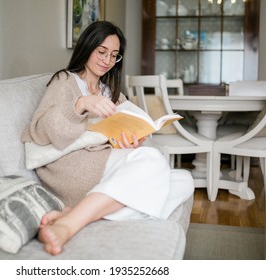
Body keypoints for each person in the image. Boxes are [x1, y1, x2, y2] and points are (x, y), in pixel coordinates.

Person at [21, 21, 194, 255]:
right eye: (101, 52)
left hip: (104, 162)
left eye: (114, 55)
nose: (107, 60)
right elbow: (41, 131)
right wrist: (80, 104)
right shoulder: (65, 81)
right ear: (87, 47)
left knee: (185, 180)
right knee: (153, 161)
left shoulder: (111, 92)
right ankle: (68, 226)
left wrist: (133, 139)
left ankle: (74, 213)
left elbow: (117, 132)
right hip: (72, 166)